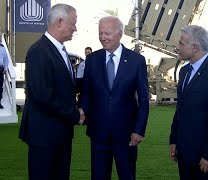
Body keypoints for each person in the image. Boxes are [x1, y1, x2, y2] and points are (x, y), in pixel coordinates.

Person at [18, 4, 85, 180]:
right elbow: (44, 96)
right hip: (44, 136)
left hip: (59, 133)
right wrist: (75, 115)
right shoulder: (39, 51)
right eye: (74, 23)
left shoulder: (58, 49)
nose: (75, 28)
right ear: (60, 22)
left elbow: (64, 85)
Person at [79, 16, 149, 180]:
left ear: (120, 34)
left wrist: (139, 130)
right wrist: (82, 110)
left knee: (127, 175)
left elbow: (144, 100)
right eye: (100, 33)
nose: (103, 38)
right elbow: (87, 92)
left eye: (107, 33)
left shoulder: (136, 61)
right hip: (98, 135)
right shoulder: (92, 60)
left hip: (127, 136)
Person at [169, 25, 208, 180]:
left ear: (195, 47)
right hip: (184, 152)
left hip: (205, 157)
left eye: (181, 44)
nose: (177, 47)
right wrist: (174, 140)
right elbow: (180, 110)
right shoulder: (184, 71)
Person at [0, 34, 8, 109]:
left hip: (0, 69)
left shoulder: (2, 48)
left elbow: (6, 59)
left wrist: (5, 68)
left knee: (0, 87)